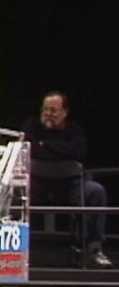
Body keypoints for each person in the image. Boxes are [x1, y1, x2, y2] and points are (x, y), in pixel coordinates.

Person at [22, 91, 113, 268]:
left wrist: (43, 145)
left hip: (69, 185)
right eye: (45, 109)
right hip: (35, 185)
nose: (48, 114)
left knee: (95, 191)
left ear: (64, 113)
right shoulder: (31, 125)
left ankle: (93, 250)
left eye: (53, 110)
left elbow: (78, 153)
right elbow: (26, 148)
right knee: (9, 191)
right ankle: (9, 252)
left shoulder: (75, 130)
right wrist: (60, 151)